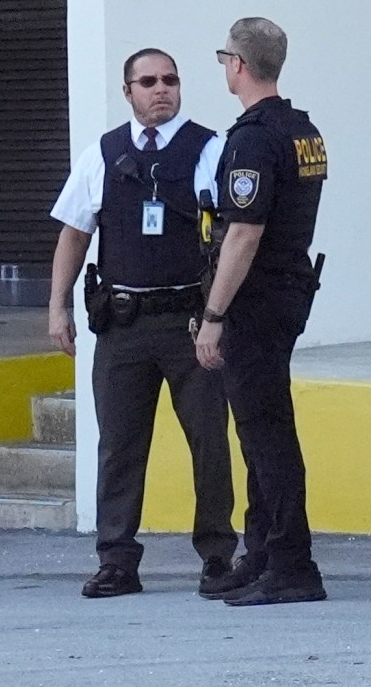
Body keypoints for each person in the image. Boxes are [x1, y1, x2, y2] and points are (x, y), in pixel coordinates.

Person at [43, 47, 238, 599]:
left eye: (170, 80)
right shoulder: (103, 153)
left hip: (189, 323)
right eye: (148, 81)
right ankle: (117, 561)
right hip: (123, 324)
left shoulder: (210, 149)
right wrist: (58, 306)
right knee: (120, 446)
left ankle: (218, 556)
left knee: (209, 442)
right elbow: (75, 232)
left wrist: (219, 318)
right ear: (127, 91)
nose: (161, 90)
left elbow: (235, 232)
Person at [194, 17, 330, 607]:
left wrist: (214, 313)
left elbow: (243, 233)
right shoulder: (304, 131)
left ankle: (293, 563)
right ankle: (266, 553)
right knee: (261, 427)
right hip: (288, 291)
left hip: (255, 300)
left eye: (224, 57)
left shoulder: (251, 138)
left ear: (238, 65)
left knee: (265, 432)